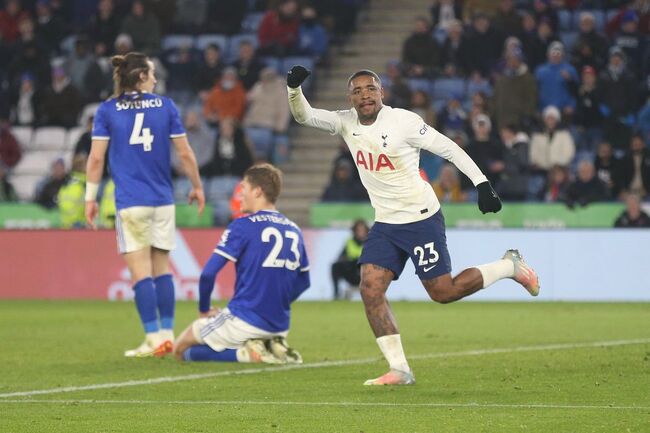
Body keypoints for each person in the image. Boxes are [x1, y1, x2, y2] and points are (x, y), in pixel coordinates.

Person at [287, 65, 540, 386]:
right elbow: (305, 116)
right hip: (386, 223)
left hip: (421, 218)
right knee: (370, 289)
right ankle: (399, 369)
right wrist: (294, 89)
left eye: (371, 89)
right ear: (349, 98)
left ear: (382, 93)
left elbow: (448, 147)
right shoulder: (344, 122)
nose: (365, 95)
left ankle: (509, 266)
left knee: (443, 292)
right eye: (357, 91)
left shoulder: (403, 122)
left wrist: (481, 183)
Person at [85, 52, 205, 358]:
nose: (155, 79)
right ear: (140, 77)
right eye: (151, 74)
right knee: (162, 270)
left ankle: (153, 338)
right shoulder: (166, 106)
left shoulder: (107, 110)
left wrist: (90, 198)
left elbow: (97, 158)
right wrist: (196, 186)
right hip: (162, 201)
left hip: (131, 202)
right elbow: (186, 153)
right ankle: (167, 333)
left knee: (141, 274)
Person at [173, 163, 309, 364]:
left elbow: (208, 274)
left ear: (257, 191)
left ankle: (244, 354)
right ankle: (270, 345)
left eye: (243, 189)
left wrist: (204, 310)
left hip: (244, 319)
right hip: (280, 324)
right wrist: (272, 303)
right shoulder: (294, 229)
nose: (239, 195)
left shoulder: (243, 225)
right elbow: (304, 282)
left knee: (180, 349)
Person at [331, 219, 369, 300]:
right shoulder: (349, 241)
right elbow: (341, 257)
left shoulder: (370, 242)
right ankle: (336, 294)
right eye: (358, 230)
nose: (360, 232)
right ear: (354, 231)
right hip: (352, 272)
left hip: (365, 273)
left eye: (362, 230)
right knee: (335, 266)